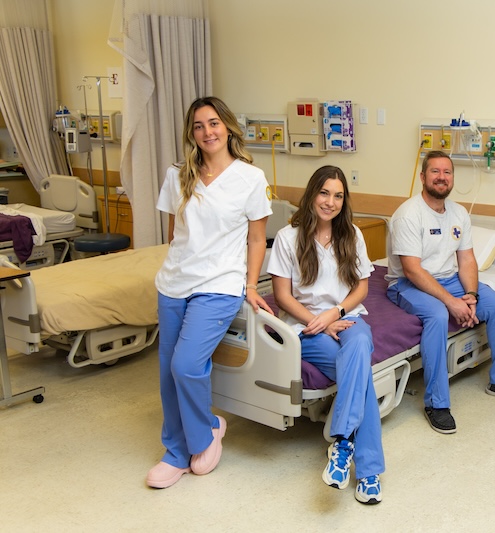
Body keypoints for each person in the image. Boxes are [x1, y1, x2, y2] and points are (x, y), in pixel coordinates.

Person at [146, 96, 273, 488]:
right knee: (169, 373)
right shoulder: (178, 175)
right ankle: (176, 451)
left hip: (219, 285)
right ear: (192, 133)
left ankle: (205, 432)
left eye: (214, 123)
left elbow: (257, 239)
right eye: (199, 125)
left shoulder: (250, 178)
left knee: (186, 364)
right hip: (173, 284)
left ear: (229, 127)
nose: (207, 132)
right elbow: (175, 234)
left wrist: (250, 286)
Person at [386, 150, 495, 435]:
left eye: (447, 172)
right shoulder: (408, 215)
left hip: (449, 278)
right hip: (407, 283)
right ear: (423, 177)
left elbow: (466, 260)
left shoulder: (458, 213)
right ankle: (437, 404)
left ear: (452, 178)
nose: (441, 177)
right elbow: (413, 270)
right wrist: (452, 302)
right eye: (435, 172)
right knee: (439, 316)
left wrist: (472, 295)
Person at [267, 165, 384, 505]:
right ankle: (369, 472)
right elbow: (282, 296)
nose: (330, 202)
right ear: (312, 193)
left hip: (347, 317)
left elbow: (362, 288)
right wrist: (319, 322)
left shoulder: (352, 236)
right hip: (305, 327)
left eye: (338, 195)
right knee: (360, 378)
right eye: (324, 193)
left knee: (360, 342)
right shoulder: (289, 238)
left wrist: (336, 314)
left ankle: (342, 442)